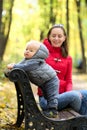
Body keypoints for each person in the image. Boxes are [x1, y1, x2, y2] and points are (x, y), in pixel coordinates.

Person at [37, 24, 87, 116]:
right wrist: (15, 66)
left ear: (64, 38)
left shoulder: (68, 58)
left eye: (59, 36)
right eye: (53, 36)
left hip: (62, 96)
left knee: (85, 94)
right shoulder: (42, 54)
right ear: (49, 37)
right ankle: (80, 123)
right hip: (47, 100)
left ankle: (82, 122)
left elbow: (69, 81)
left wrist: (69, 93)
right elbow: (28, 63)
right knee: (75, 96)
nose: (56, 39)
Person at [7, 40, 60, 118]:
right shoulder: (27, 60)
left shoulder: (35, 62)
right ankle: (49, 110)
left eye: (31, 51)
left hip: (51, 80)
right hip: (44, 81)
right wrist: (14, 67)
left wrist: (14, 66)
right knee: (47, 96)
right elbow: (20, 65)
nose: (27, 51)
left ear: (38, 54)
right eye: (26, 49)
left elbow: (24, 67)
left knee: (51, 96)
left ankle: (53, 111)